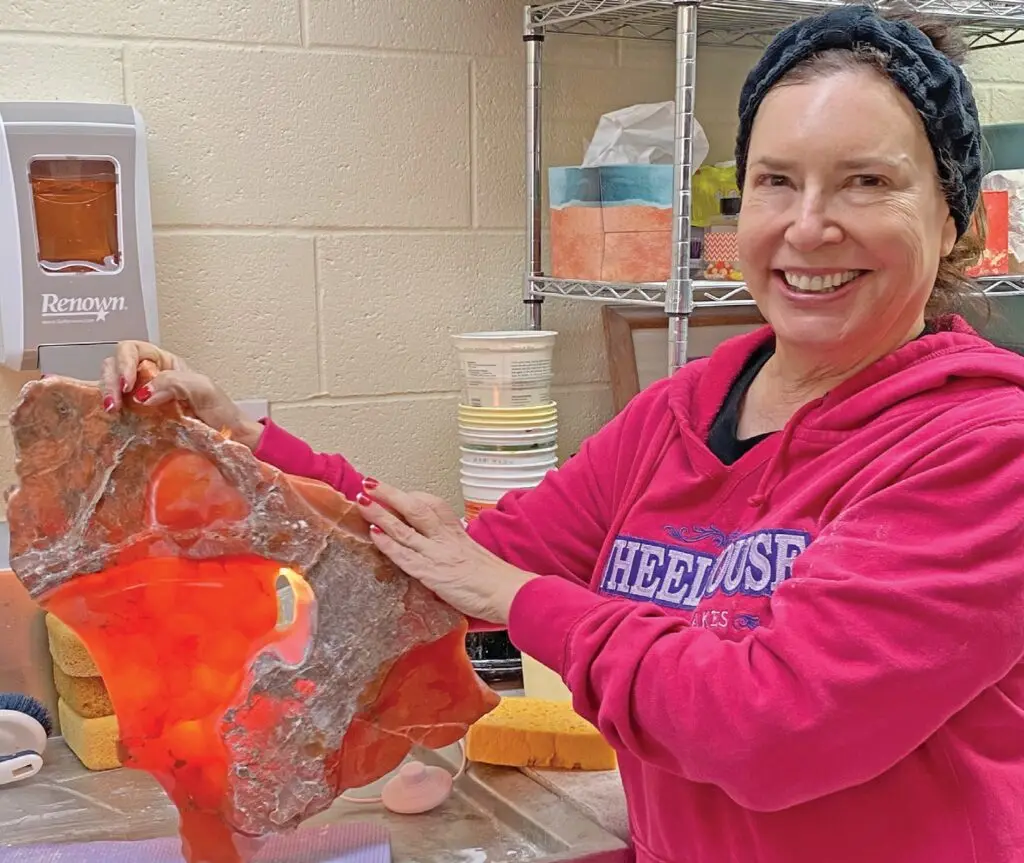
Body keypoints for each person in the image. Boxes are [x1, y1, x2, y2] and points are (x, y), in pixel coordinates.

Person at [101, 6, 1024, 862]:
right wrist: (240, 444)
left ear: (953, 220)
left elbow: (774, 724)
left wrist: (524, 598)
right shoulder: (687, 409)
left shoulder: (984, 446)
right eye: (776, 182)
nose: (809, 225)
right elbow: (448, 565)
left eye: (868, 182)